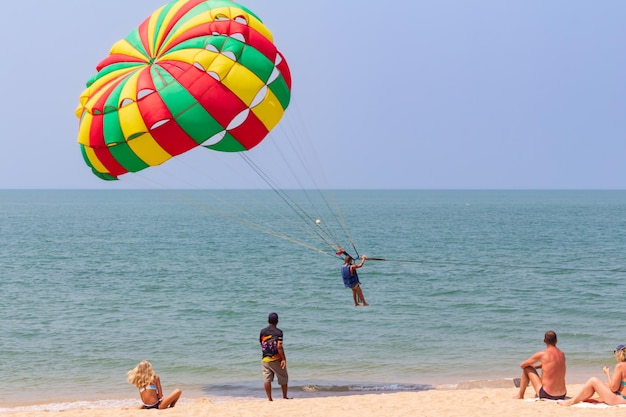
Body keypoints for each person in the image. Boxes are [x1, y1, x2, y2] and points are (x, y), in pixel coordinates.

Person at [557, 344, 626, 406]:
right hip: (623, 398)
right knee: (603, 386)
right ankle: (592, 399)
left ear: (619, 353)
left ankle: (572, 401)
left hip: (620, 399)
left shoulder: (620, 366)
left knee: (593, 381)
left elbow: (613, 388)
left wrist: (607, 373)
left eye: (615, 352)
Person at [514, 330, 567, 400]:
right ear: (556, 341)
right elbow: (551, 365)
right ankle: (530, 393)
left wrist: (531, 367)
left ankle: (520, 395)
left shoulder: (543, 354)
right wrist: (536, 367)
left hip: (548, 394)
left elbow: (522, 365)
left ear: (544, 340)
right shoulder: (562, 354)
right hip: (562, 394)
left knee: (526, 368)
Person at [260, 312, 289, 401]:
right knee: (283, 377)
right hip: (276, 358)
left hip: (265, 358)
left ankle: (269, 398)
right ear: (277, 321)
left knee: (267, 379)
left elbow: (262, 343)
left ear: (268, 321)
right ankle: (284, 396)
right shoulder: (279, 332)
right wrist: (283, 359)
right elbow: (279, 346)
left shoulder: (262, 331)